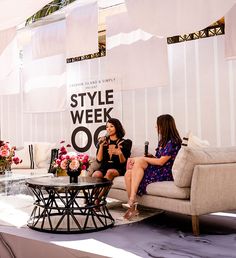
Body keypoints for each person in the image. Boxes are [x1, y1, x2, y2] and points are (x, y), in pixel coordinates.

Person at [123, 114, 182, 220]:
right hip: (158, 168)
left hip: (165, 171)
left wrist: (144, 159)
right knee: (128, 173)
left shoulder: (173, 142)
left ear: (164, 126)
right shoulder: (163, 141)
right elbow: (159, 157)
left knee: (140, 161)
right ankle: (132, 207)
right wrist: (150, 157)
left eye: (157, 125)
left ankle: (132, 201)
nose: (156, 127)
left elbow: (161, 162)